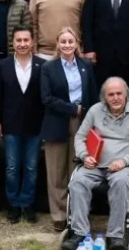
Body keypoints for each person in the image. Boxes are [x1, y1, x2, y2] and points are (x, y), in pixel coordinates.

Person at [61, 77, 129, 250]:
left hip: (122, 166)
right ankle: (79, 233)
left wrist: (124, 161)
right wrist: (84, 155)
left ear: (126, 95)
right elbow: (80, 137)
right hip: (94, 164)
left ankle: (115, 236)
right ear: (105, 97)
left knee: (121, 183)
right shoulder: (95, 110)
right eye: (111, 94)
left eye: (119, 93)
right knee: (77, 181)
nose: (115, 98)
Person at [41, 28, 97, 232]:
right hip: (56, 122)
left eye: (70, 41)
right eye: (63, 41)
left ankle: (77, 213)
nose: (67, 45)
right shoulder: (48, 68)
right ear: (57, 44)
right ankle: (59, 215)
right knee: (56, 172)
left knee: (77, 170)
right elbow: (46, 98)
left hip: (82, 123)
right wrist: (72, 109)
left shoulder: (86, 65)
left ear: (77, 44)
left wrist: (91, 117)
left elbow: (93, 94)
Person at [0, 28, 46, 223]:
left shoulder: (43, 65)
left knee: (32, 167)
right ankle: (13, 204)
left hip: (35, 124)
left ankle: (27, 203)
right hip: (11, 123)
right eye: (19, 40)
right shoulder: (2, 66)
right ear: (13, 42)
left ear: (32, 42)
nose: (22, 44)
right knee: (12, 167)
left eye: (26, 40)